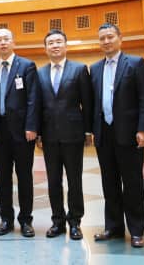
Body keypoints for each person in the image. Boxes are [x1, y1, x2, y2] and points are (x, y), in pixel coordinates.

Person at [90, 23, 144, 248]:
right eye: (102, 38)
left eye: (110, 37)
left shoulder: (135, 63)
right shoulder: (95, 68)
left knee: (133, 183)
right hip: (104, 134)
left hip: (130, 134)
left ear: (120, 38)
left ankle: (136, 230)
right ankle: (114, 227)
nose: (106, 41)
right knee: (110, 183)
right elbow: (93, 102)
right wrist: (93, 130)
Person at [0, 28, 40, 238]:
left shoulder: (26, 66)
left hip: (22, 132)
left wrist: (31, 126)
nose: (3, 42)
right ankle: (6, 219)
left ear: (13, 42)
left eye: (6, 39)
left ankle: (26, 220)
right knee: (2, 179)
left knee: (24, 177)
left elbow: (33, 98)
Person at [37, 29, 93, 240]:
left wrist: (88, 130)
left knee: (74, 180)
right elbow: (37, 106)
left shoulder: (79, 69)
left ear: (65, 45)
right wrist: (39, 133)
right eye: (50, 43)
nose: (55, 45)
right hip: (49, 136)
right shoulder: (39, 73)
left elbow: (87, 103)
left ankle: (75, 221)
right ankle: (57, 221)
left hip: (73, 134)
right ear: (46, 48)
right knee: (53, 181)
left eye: (58, 41)